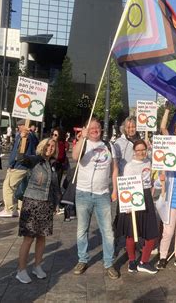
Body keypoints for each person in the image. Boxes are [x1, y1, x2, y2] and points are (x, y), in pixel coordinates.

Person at [72, 119, 119, 280]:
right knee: (82, 230)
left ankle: (109, 263)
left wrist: (115, 190)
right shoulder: (83, 143)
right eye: (91, 128)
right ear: (86, 129)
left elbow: (115, 169)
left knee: (108, 232)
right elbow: (75, 156)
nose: (94, 130)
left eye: (97, 127)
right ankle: (82, 259)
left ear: (101, 129)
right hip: (83, 193)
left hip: (103, 194)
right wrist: (82, 138)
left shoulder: (108, 145)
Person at [15, 138, 62, 283]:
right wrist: (22, 140)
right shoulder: (35, 159)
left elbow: (55, 186)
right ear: (42, 145)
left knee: (42, 237)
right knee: (28, 238)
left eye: (53, 146)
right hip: (32, 203)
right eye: (48, 145)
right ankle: (21, 270)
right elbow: (21, 159)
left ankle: (37, 266)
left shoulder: (53, 164)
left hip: (46, 204)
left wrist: (56, 203)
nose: (50, 148)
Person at [115, 140, 159, 274]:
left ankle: (143, 262)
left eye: (143, 149)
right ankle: (132, 260)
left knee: (151, 232)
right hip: (134, 198)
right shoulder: (129, 166)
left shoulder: (149, 162)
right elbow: (126, 186)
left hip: (146, 197)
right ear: (134, 151)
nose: (141, 152)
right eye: (138, 150)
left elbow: (152, 178)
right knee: (131, 233)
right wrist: (127, 204)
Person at [0, 119, 39, 218]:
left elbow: (17, 152)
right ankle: (20, 208)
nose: (18, 127)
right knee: (21, 187)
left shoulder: (24, 136)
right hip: (27, 165)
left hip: (19, 165)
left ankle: (8, 209)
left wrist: (11, 164)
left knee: (8, 186)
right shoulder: (32, 135)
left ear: (25, 126)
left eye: (20, 125)